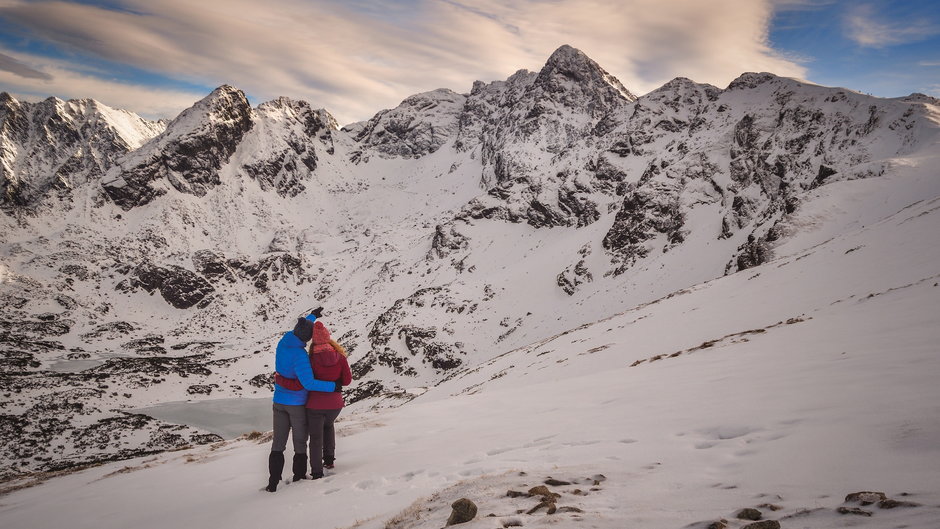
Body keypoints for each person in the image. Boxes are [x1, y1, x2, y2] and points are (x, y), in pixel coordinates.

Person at [265, 308, 341, 493]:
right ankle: (299, 477)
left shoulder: (283, 342)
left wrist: (313, 316)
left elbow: (301, 327)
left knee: (278, 444)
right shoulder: (300, 356)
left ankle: (273, 482)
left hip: (278, 401)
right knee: (300, 442)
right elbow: (308, 383)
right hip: (296, 404)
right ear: (306, 339)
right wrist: (333, 386)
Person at [305, 320, 352, 479]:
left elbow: (307, 382)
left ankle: (317, 471)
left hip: (315, 405)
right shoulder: (340, 357)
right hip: (335, 404)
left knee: (316, 437)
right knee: (329, 426)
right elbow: (346, 381)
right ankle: (330, 460)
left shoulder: (310, 359)